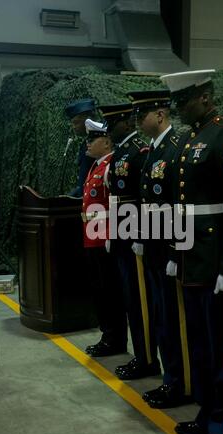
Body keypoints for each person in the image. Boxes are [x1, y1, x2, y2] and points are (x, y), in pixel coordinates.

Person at [161, 69, 223, 434]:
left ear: (205, 96)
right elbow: (181, 205)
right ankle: (208, 411)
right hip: (191, 256)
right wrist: (173, 253)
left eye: (184, 101)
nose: (179, 108)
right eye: (176, 102)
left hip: (216, 258)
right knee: (200, 341)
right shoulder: (190, 139)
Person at [127, 90, 193, 408]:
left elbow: (180, 205)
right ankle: (171, 380)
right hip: (154, 248)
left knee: (173, 319)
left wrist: (175, 251)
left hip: (169, 250)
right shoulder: (152, 150)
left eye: (144, 115)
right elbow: (147, 202)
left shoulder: (175, 149)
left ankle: (180, 384)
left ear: (161, 115)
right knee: (161, 319)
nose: (139, 121)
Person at [97, 102, 161, 380]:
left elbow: (144, 198)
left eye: (114, 124)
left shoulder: (138, 152)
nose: (110, 130)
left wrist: (139, 236)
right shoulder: (122, 152)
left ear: (126, 123)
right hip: (122, 234)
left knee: (139, 300)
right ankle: (140, 354)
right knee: (129, 299)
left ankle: (147, 358)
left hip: (134, 235)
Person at [83, 119, 127, 357]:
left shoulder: (111, 166)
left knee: (110, 292)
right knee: (100, 290)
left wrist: (110, 235)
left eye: (93, 139)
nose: (87, 144)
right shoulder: (96, 166)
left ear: (107, 141)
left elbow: (115, 205)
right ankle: (107, 335)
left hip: (104, 240)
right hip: (92, 237)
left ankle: (115, 339)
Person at [65, 99, 97, 197]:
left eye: (76, 122)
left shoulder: (96, 143)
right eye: (72, 123)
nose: (74, 127)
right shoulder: (86, 143)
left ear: (88, 121)